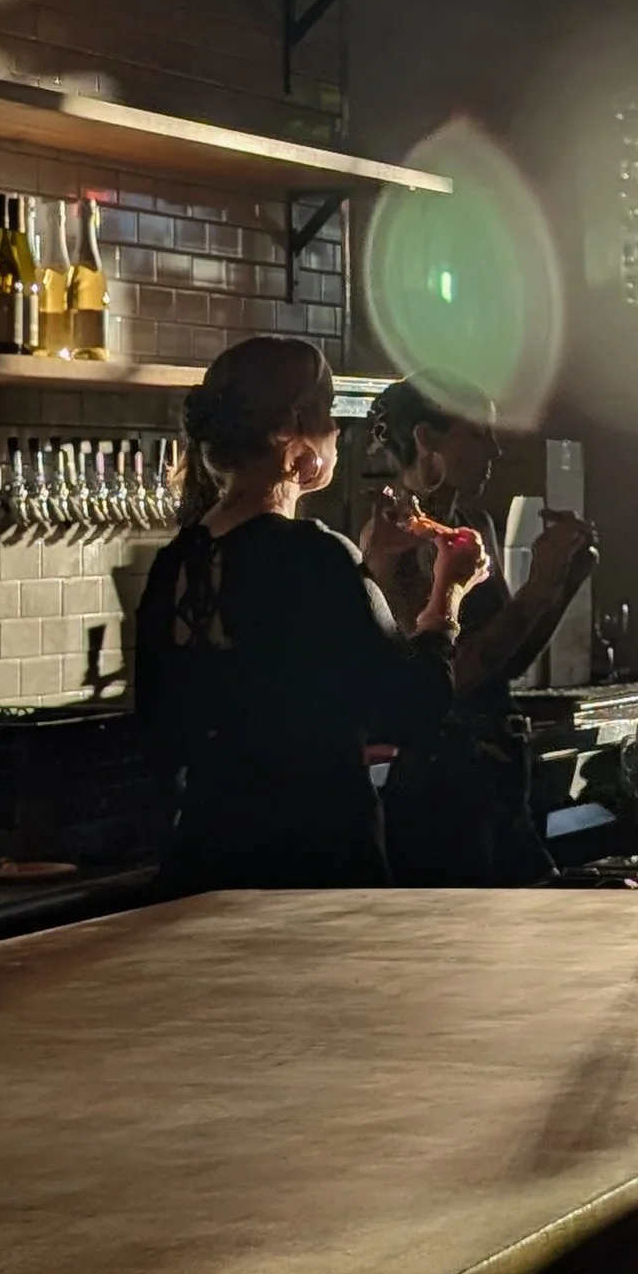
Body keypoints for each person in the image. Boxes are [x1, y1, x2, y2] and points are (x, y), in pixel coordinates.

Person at [135, 336, 482, 890]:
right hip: (314, 865)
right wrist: (448, 593)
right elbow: (411, 708)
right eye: (329, 412)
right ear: (296, 427)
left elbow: (157, 738)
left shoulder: (174, 565)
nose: (339, 431)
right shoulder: (315, 554)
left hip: (204, 865)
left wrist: (375, 570)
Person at [357, 376, 598, 883]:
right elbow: (455, 675)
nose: (495, 448)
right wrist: (539, 586)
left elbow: (508, 661)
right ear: (427, 440)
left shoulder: (473, 525)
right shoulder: (392, 539)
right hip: (442, 787)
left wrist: (563, 580)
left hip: (501, 775)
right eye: (478, 433)